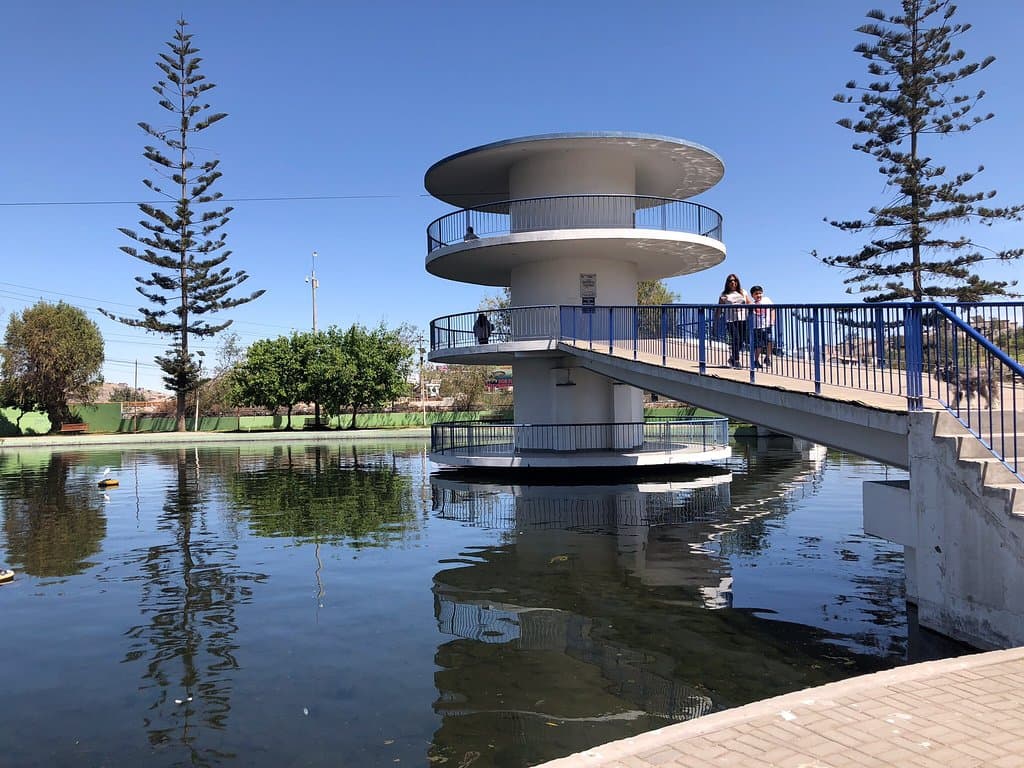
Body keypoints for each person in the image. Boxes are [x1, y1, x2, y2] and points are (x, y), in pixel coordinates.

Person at [716, 274, 750, 368]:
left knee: (741, 340)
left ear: (737, 282)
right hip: (731, 320)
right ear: (727, 283)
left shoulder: (743, 292)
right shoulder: (724, 295)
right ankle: (736, 360)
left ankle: (732, 357)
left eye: (734, 280)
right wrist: (716, 322)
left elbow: (749, 303)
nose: (733, 282)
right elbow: (719, 309)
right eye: (730, 281)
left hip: (742, 318)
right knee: (736, 338)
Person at [750, 285, 775, 369]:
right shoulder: (752, 304)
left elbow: (772, 309)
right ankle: (756, 361)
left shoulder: (766, 300)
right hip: (757, 327)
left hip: (767, 325)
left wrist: (772, 320)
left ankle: (767, 357)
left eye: (760, 293)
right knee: (759, 345)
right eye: (756, 294)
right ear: (752, 295)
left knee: (770, 341)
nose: (758, 295)